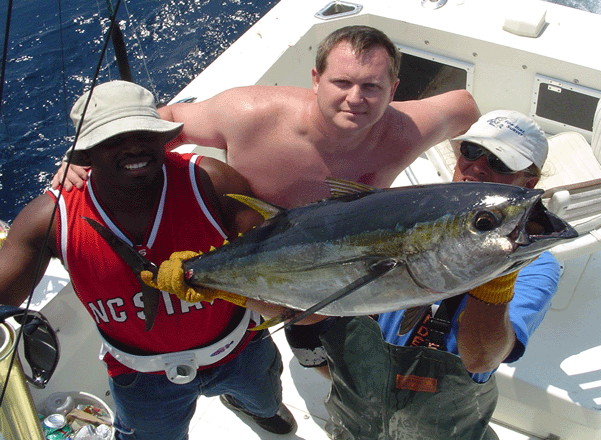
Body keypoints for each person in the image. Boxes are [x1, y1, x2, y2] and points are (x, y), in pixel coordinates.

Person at [0, 81, 296, 439]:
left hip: (240, 351)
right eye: (112, 140)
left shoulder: (211, 181)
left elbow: (275, 267)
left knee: (265, 402)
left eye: (145, 133)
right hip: (141, 379)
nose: (134, 147)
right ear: (85, 154)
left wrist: (220, 283)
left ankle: (249, 405)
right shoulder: (49, 217)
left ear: (163, 137)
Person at [284, 110, 561, 439]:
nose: (476, 166)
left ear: (528, 184)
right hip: (360, 405)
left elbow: (481, 358)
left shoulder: (537, 266)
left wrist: (498, 274)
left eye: (500, 163)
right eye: (471, 151)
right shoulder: (406, 209)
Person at [52, 25, 480, 209]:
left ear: (394, 91)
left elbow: (466, 106)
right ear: (316, 79)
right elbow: (167, 116)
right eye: (341, 83)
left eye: (372, 87)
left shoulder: (406, 128)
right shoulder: (249, 115)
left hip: (344, 258)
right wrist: (88, 155)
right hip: (248, 250)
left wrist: (477, 164)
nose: (356, 99)